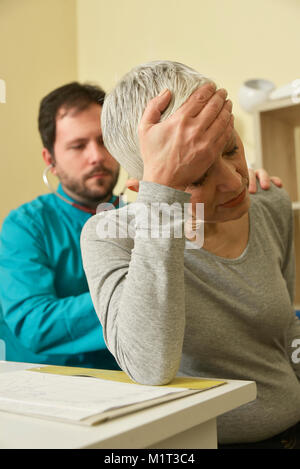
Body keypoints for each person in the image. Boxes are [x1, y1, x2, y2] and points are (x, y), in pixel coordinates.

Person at [81, 61, 300, 448]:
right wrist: (163, 199)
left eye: (231, 148)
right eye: (196, 177)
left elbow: (287, 332)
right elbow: (149, 367)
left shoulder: (269, 204)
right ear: (144, 186)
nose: (234, 181)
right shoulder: (111, 235)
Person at [0, 82, 121, 369]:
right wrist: (135, 294)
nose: (96, 156)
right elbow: (35, 325)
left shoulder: (140, 216)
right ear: (50, 160)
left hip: (140, 387)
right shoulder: (25, 227)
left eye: (105, 141)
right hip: (50, 393)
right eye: (78, 146)